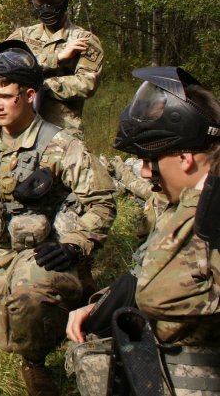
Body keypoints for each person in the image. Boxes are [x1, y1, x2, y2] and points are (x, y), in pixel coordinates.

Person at [0, 41, 116, 395]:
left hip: (45, 251)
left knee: (28, 303)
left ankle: (39, 357)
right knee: (3, 332)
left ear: (28, 95)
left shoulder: (60, 146)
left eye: (6, 96)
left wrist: (75, 246)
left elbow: (102, 201)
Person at [66, 66, 220, 395]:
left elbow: (161, 294)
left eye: (150, 160)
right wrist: (103, 303)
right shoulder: (188, 200)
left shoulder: (207, 211)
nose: (148, 174)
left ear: (185, 157)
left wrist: (135, 295)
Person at [6, 0, 104, 136]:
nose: (46, 7)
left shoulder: (84, 39)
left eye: (53, 0)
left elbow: (87, 84)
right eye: (40, 1)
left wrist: (42, 86)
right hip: (20, 127)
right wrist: (56, 58)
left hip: (62, 131)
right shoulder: (22, 36)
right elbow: (6, 68)